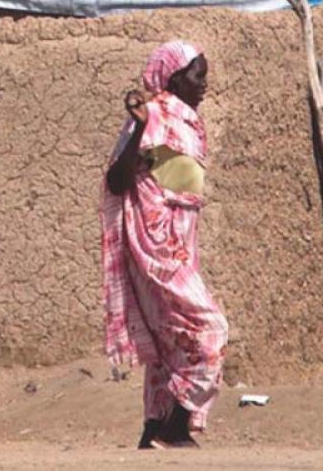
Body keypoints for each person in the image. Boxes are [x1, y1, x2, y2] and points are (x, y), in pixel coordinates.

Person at [101, 41, 229, 449]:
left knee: (170, 339)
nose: (204, 84)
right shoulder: (154, 114)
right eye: (197, 74)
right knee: (211, 328)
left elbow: (182, 185)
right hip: (157, 245)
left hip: (179, 245)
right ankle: (178, 424)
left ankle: (155, 426)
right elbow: (117, 181)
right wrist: (138, 125)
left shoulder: (188, 121)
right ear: (174, 77)